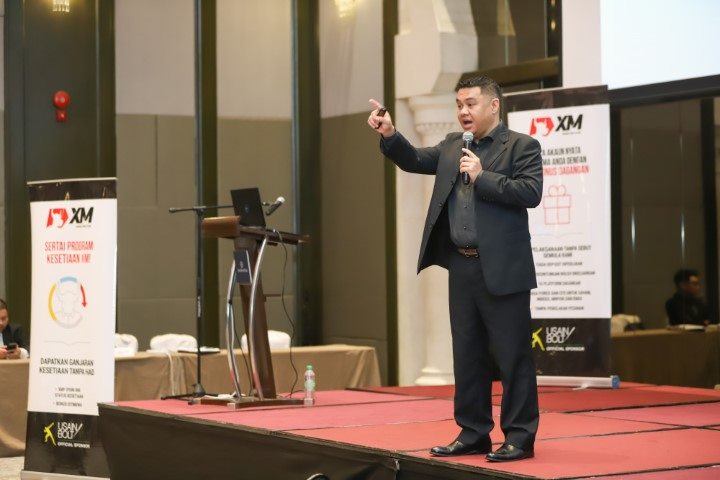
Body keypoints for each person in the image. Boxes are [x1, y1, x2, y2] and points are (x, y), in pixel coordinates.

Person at [367, 75, 542, 462]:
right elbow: (414, 160)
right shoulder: (451, 146)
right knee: (467, 355)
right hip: (461, 266)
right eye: (459, 104)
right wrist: (390, 133)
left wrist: (483, 177)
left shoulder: (521, 146)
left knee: (512, 356)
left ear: (493, 105)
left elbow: (530, 192)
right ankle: (473, 432)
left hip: (504, 269)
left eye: (471, 104)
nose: (463, 111)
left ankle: (519, 436)